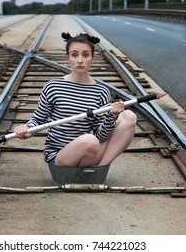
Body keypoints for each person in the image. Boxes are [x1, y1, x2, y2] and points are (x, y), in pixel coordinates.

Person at [14, 32, 137, 167]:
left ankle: (101, 167)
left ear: (92, 59)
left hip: (88, 151)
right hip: (60, 156)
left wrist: (112, 115)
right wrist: (26, 130)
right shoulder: (53, 87)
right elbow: (38, 120)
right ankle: (86, 171)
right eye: (74, 55)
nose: (80, 60)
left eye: (85, 55)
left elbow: (100, 136)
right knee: (90, 141)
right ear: (68, 59)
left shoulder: (101, 92)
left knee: (129, 116)